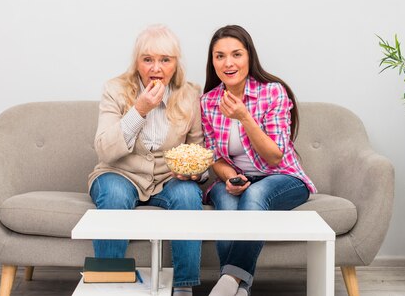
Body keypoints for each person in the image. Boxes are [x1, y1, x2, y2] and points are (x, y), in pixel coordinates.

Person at [89, 24, 206, 295]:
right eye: (148, 59)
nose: (156, 68)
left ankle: (184, 287)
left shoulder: (189, 95)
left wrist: (194, 174)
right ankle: (109, 285)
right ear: (137, 63)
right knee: (115, 195)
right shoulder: (114, 90)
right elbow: (104, 150)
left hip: (168, 179)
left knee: (189, 195)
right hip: (120, 173)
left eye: (165, 60)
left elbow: (197, 150)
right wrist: (139, 110)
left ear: (175, 64)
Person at [201, 25, 317, 296]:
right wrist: (230, 177)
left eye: (236, 54)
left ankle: (228, 281)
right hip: (237, 178)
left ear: (249, 57)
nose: (228, 63)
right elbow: (214, 157)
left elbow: (275, 155)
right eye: (220, 56)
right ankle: (241, 289)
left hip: (283, 177)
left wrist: (244, 117)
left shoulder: (273, 92)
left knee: (255, 195)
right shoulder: (208, 102)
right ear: (213, 62)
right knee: (227, 208)